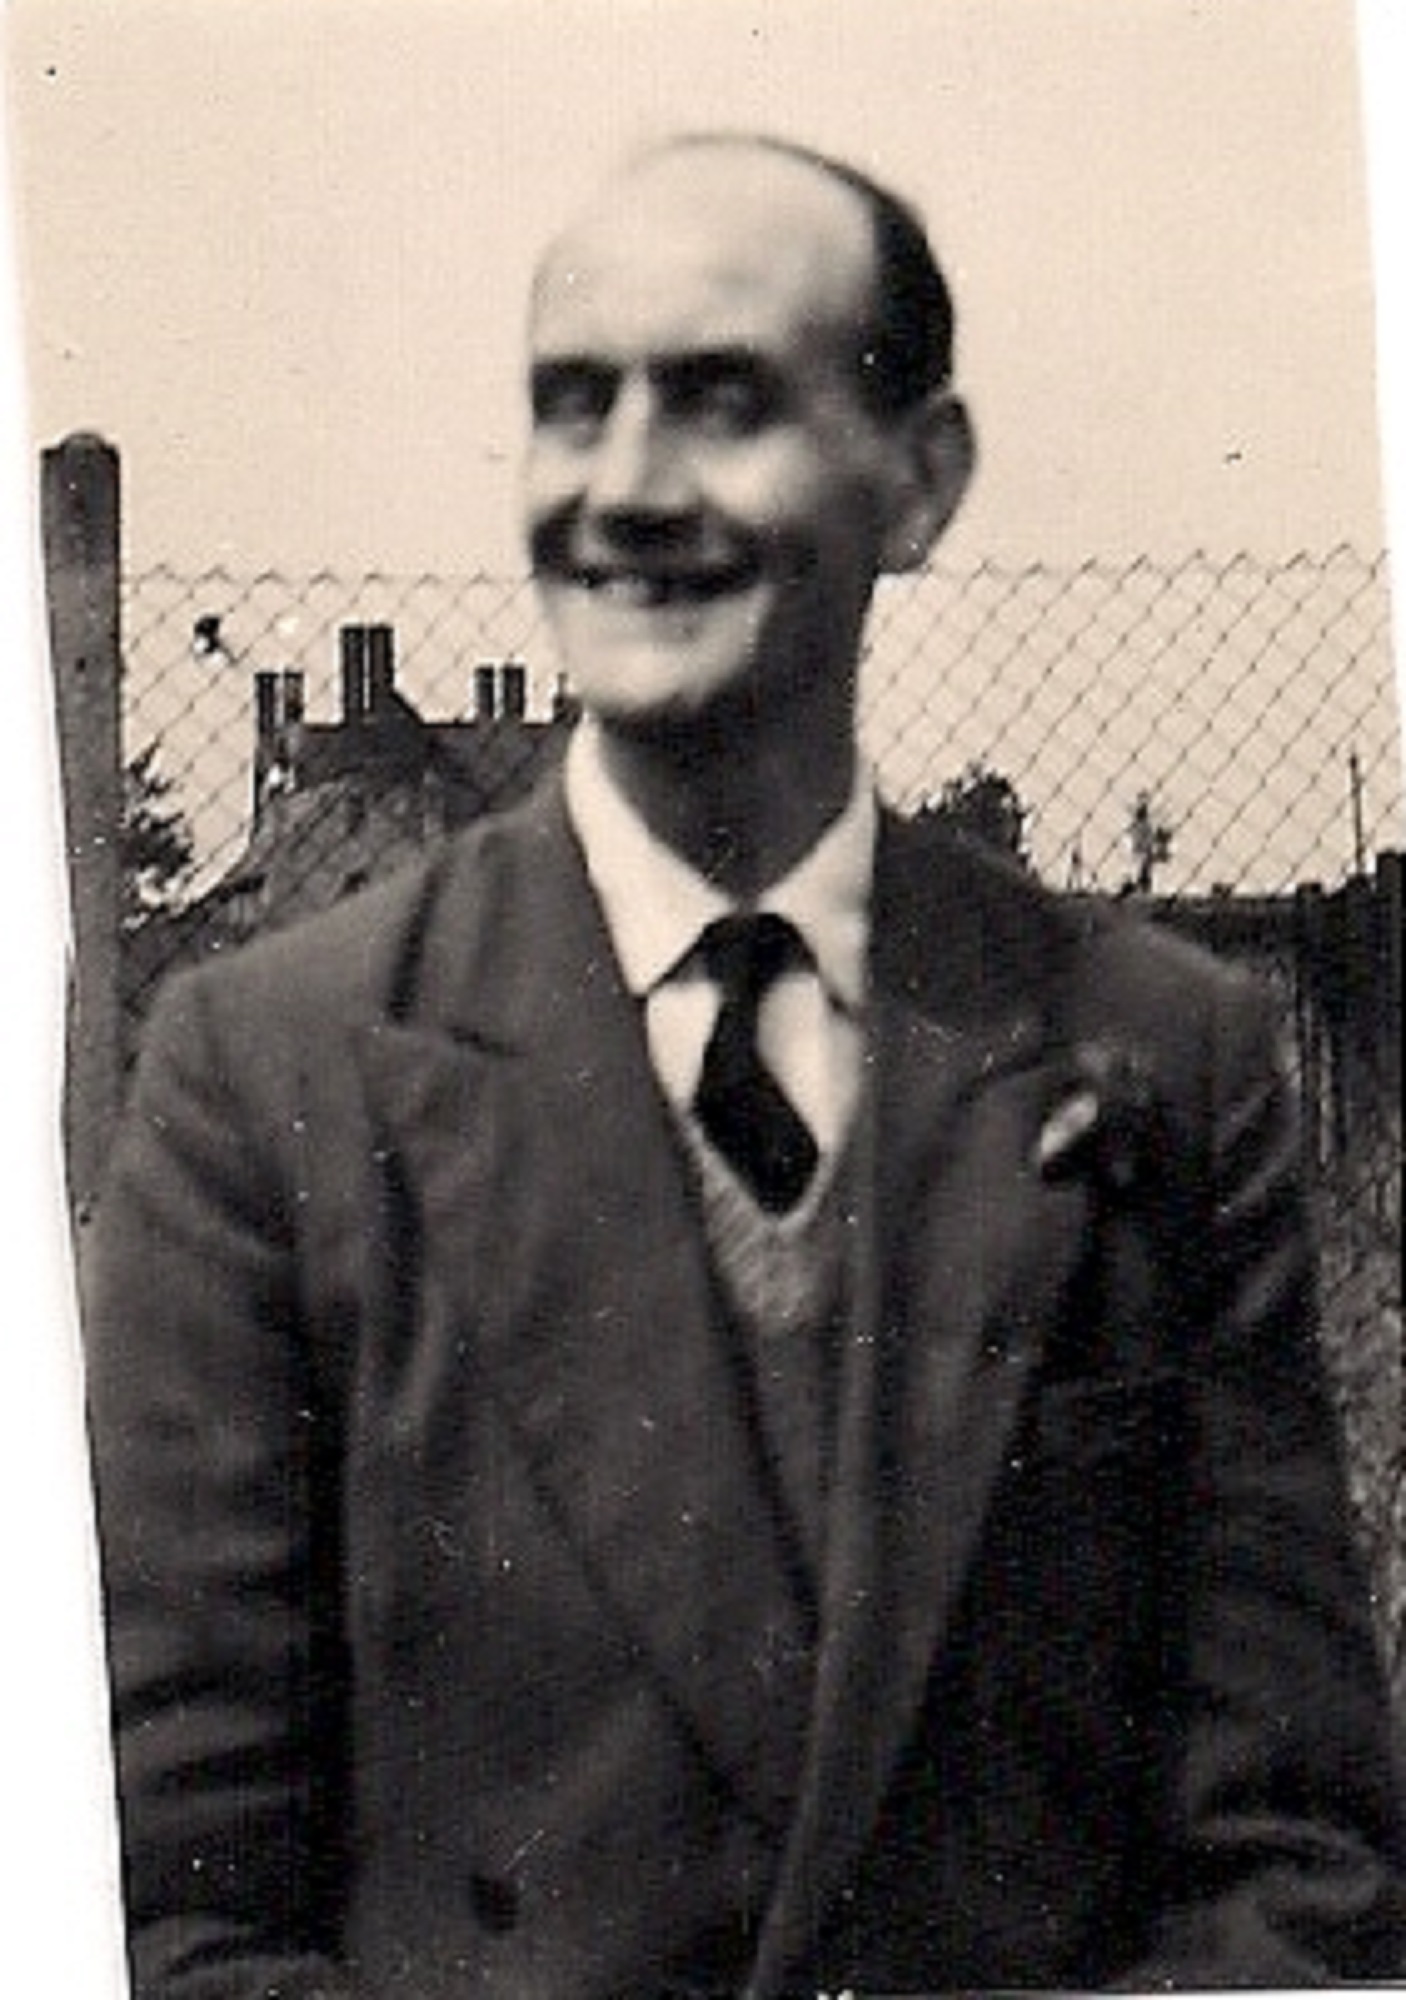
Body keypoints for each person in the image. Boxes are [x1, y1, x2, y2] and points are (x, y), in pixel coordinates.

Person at [83, 133, 1405, 1998]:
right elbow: (172, 1892)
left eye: (719, 406)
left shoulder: (1157, 1055)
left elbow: (1290, 1860)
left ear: (921, 481)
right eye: (571, 408)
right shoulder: (266, 1080)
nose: (625, 488)